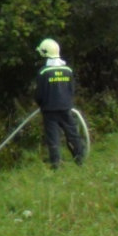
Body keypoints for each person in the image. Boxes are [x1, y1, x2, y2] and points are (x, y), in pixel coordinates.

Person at [32, 38, 86, 168]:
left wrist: (41, 104)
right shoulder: (68, 70)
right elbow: (71, 90)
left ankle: (55, 163)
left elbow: (39, 94)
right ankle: (80, 159)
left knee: (53, 137)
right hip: (66, 108)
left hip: (49, 110)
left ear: (45, 52)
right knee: (72, 133)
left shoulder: (43, 72)